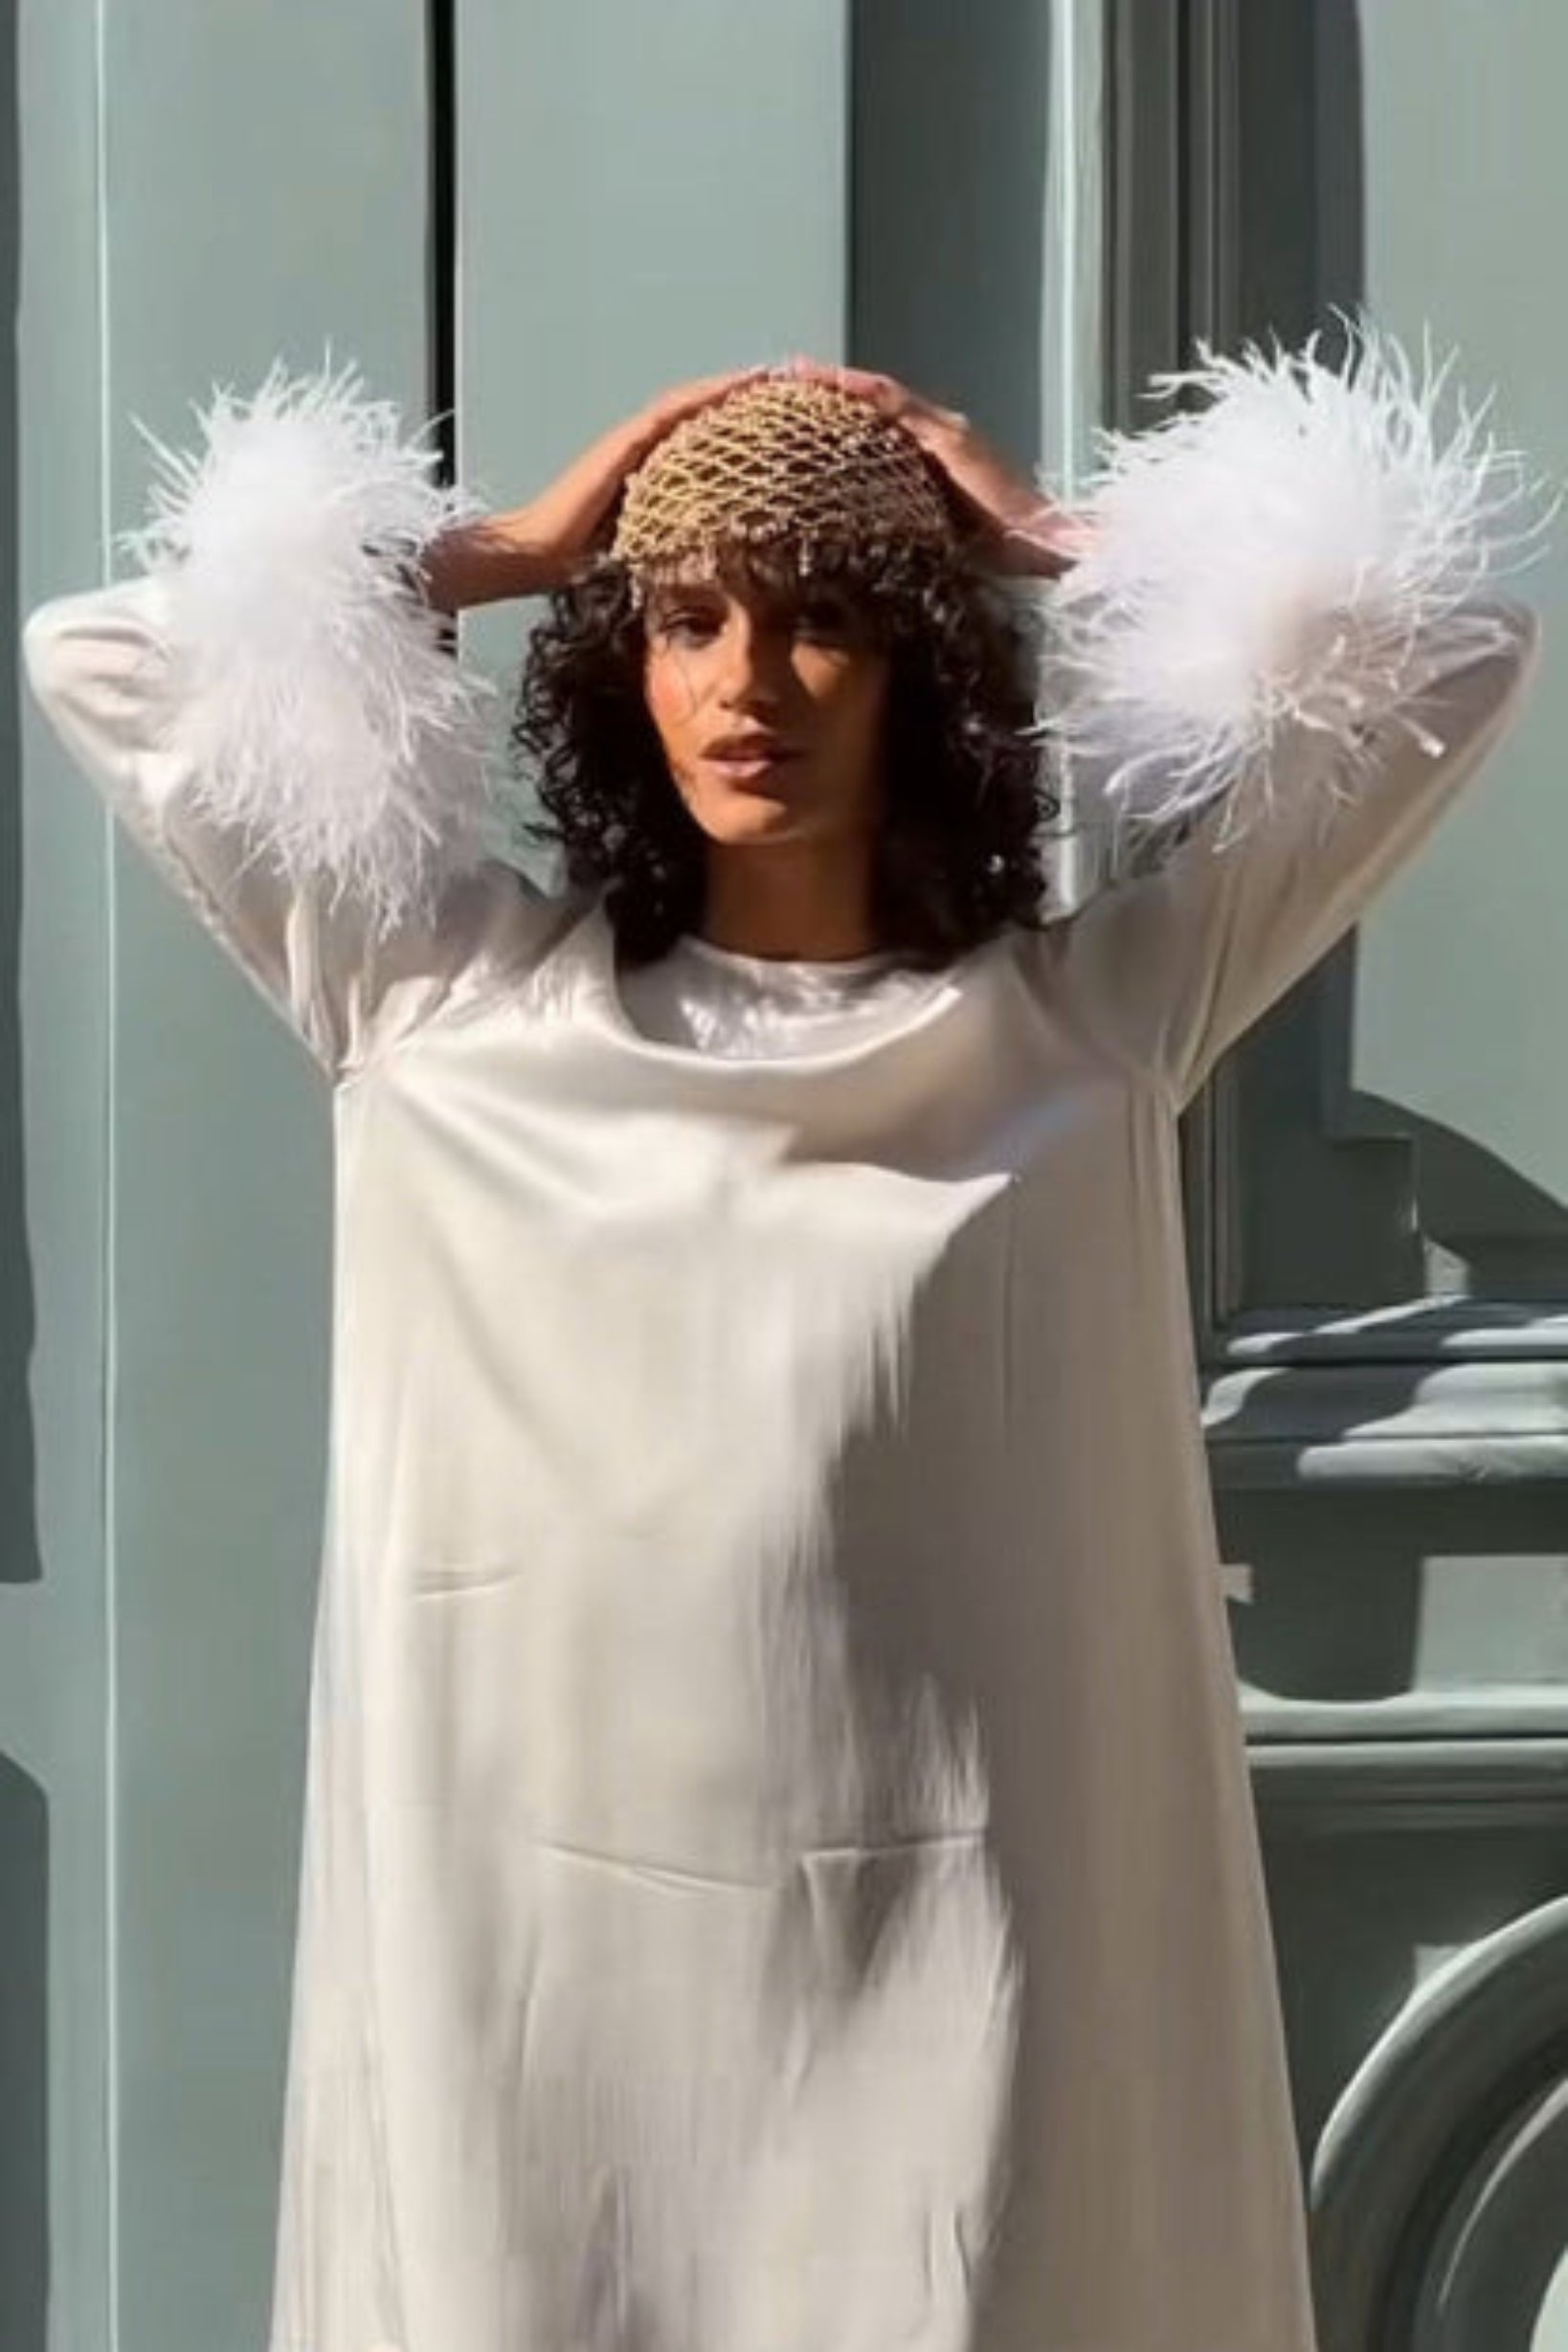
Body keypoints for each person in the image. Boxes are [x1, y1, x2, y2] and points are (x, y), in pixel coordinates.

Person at [22, 321, 1545, 2352]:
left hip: (956, 1940)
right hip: (538, 1960)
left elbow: (1446, 662)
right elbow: (96, 652)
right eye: (686, 617)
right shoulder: (445, 1011)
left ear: (926, 673)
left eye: (830, 617)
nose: (748, 683)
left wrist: (1043, 532)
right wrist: (509, 547)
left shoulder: (1074, 1035)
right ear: (617, 661)